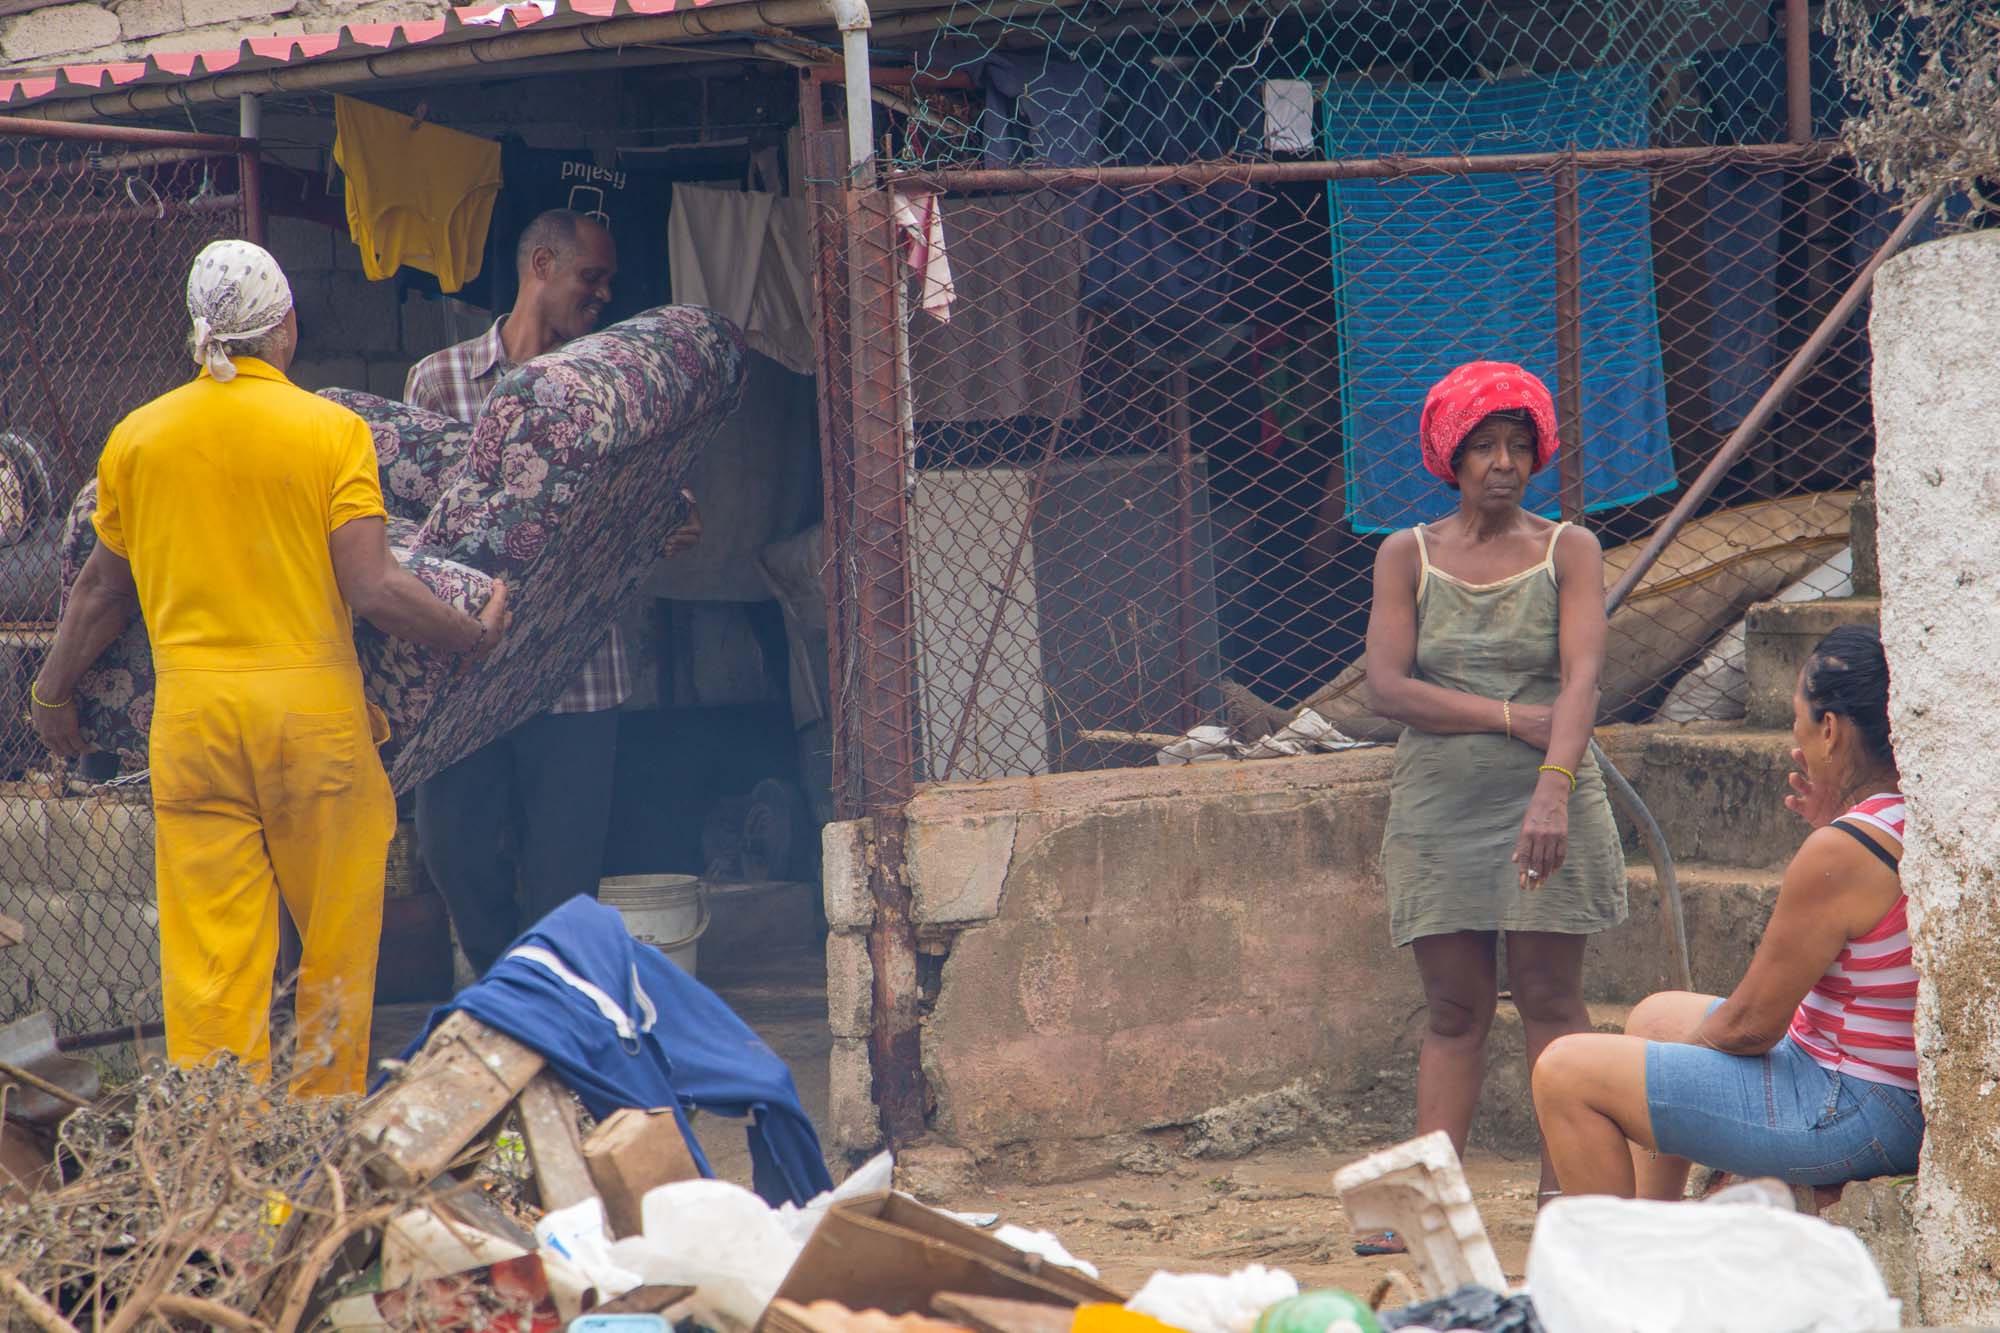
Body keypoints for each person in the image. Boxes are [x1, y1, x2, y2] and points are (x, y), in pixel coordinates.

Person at [31, 240, 511, 1096]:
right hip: (314, 727)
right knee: (333, 951)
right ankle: (319, 1144)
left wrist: (51, 690)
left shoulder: (137, 439)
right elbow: (375, 585)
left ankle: (224, 1160)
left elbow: (101, 592)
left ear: (199, 332)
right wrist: (471, 633)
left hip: (195, 730)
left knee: (214, 968)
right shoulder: (330, 432)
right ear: (285, 325)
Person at [1358, 360, 1626, 1247]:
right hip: (1439, 809)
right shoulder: (1408, 555)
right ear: (1450, 456)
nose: (1504, 463)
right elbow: (1387, 687)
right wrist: (1512, 714)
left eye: (1519, 445)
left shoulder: (1569, 550)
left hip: (1547, 795)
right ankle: (1428, 1202)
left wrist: (1553, 784)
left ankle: (1567, 1206)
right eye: (1484, 447)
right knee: (1454, 1009)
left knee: (1552, 997)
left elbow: (1583, 678)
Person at [404, 208, 699, 975]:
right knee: (451, 851)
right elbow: (411, 518)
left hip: (578, 670)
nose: (602, 296)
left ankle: (551, 1017)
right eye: (590, 278)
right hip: (468, 668)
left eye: (606, 282)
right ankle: (515, 987)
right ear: (541, 265)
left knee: (565, 877)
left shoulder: (611, 381)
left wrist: (672, 518)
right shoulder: (438, 380)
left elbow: (660, 493)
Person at [1533, 626, 1920, 1199]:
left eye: (1799, 718)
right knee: (1656, 1016)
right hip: (1879, 1086)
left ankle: (1611, 1274)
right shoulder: (1899, 816)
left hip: (1855, 1106)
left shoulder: (1843, 849)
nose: (1797, 736)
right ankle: (1658, 1236)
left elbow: (1751, 1026)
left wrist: (1664, 1080)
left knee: (1564, 1071)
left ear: (1831, 730)